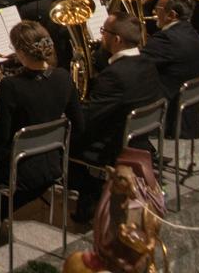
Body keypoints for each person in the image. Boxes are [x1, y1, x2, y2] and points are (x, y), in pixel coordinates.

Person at [69, 13, 165, 223]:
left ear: (117, 39)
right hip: (139, 138)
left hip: (112, 146)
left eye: (104, 32)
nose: (100, 36)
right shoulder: (147, 62)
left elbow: (87, 120)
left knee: (66, 141)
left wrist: (70, 103)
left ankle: (89, 199)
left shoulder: (114, 75)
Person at [0, 21, 82, 218]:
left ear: (21, 52)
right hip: (54, 162)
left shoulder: (10, 86)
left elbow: (1, 138)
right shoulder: (64, 76)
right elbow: (78, 124)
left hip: (19, 168)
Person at [142, 0, 199, 140]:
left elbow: (135, 65)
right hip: (188, 116)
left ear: (171, 15)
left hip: (166, 117)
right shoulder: (191, 32)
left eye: (158, 9)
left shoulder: (167, 39)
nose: (154, 12)